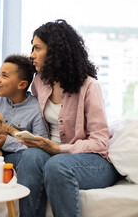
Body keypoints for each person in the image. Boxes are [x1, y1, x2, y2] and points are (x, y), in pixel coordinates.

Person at [16, 19, 122, 217]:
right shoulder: (39, 82)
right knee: (30, 157)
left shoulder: (89, 86)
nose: (32, 54)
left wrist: (59, 149)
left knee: (58, 165)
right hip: (52, 154)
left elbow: (100, 142)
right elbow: (27, 109)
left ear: (55, 51)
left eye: (37, 48)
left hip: (91, 161)